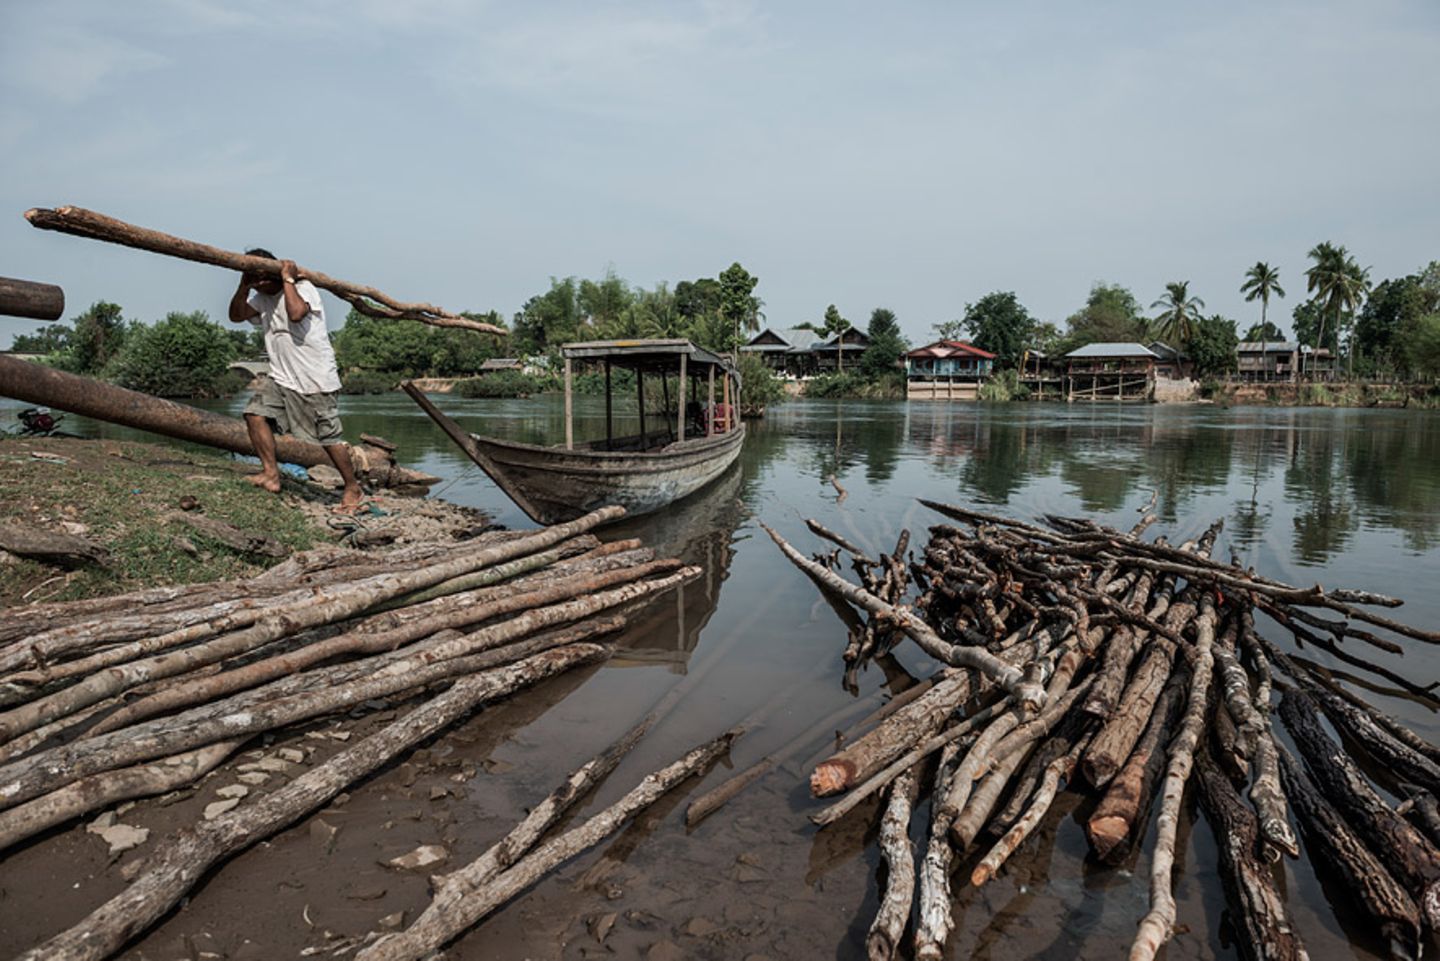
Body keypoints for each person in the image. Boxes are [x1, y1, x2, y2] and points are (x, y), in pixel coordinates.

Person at [228, 248, 363, 512]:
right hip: (281, 376)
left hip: (314, 380)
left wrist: (288, 280)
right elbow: (235, 316)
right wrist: (243, 286)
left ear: (276, 274)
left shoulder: (304, 287)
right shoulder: (260, 297)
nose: (260, 285)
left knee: (328, 438)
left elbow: (297, 313)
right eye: (254, 280)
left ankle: (352, 487)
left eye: (263, 279)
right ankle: (270, 474)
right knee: (254, 414)